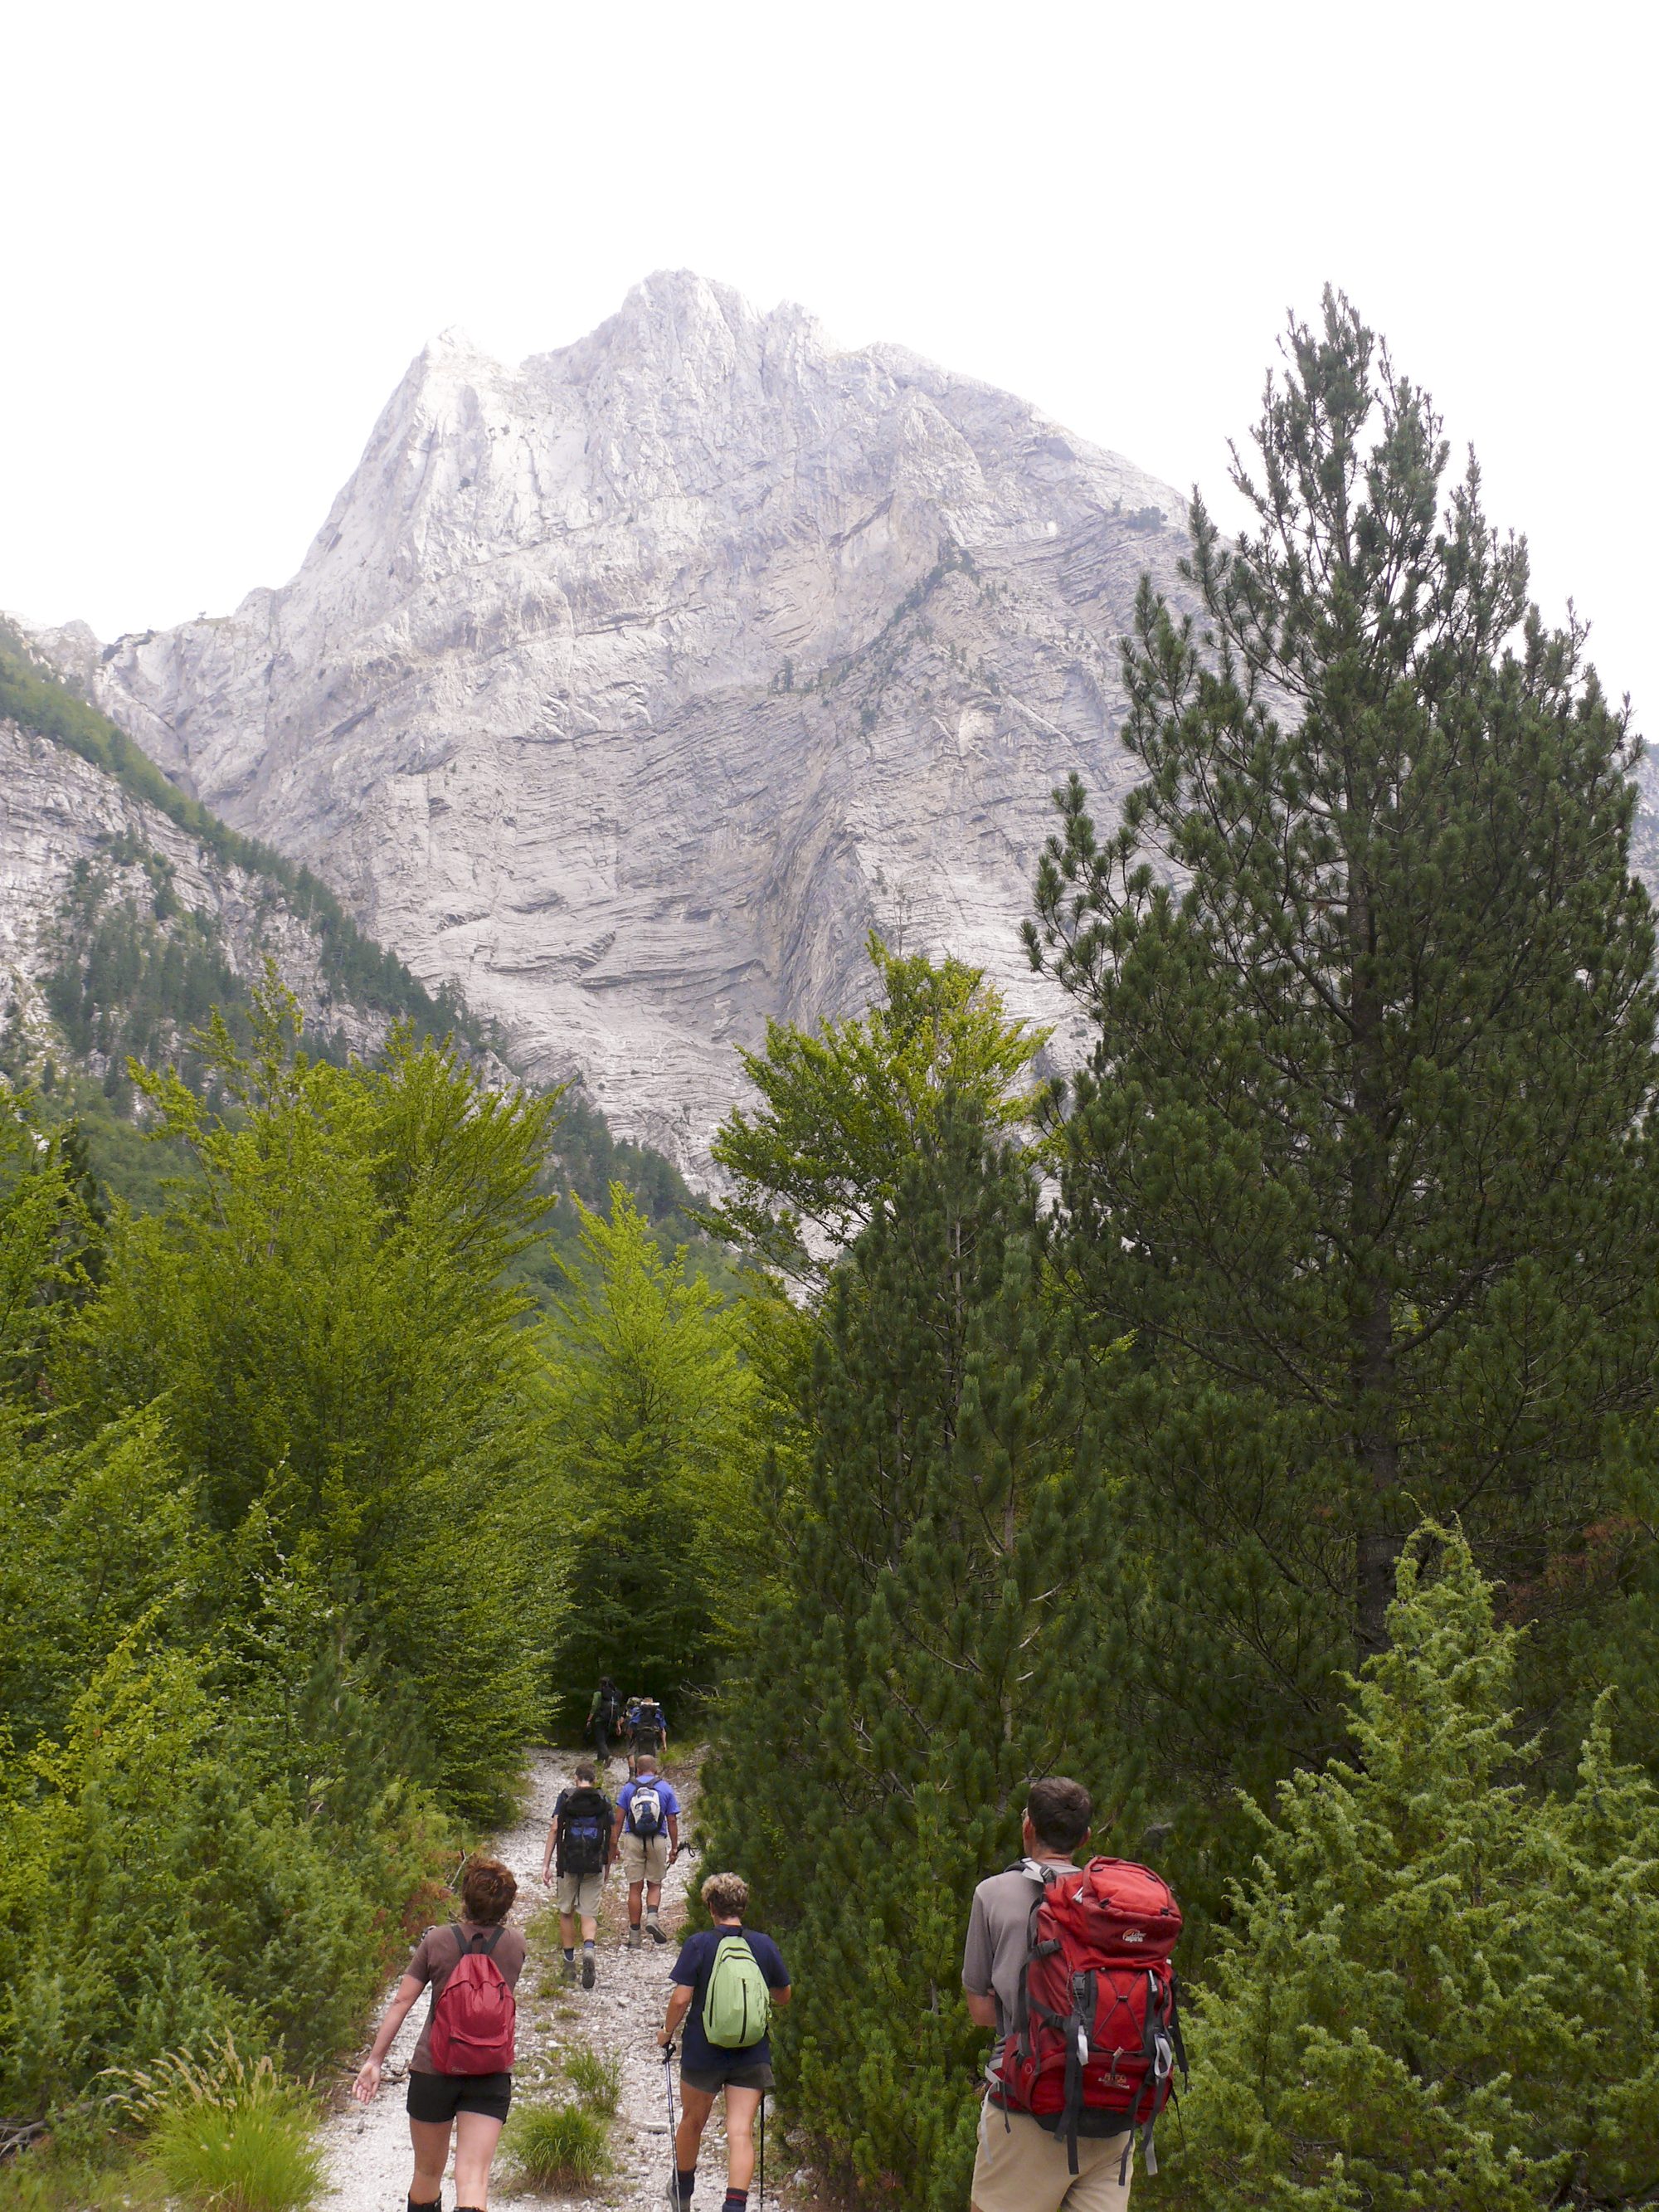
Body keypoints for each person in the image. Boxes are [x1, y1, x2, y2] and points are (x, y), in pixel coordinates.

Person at [962, 1776, 1132, 2212]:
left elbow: (981, 2011)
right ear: (1086, 1837)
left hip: (1025, 2101)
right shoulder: (1119, 1900)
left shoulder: (993, 1894)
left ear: (1027, 1828)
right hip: (1113, 2104)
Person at [353, 1854, 525, 2212]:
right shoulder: (515, 1945)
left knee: (427, 2173)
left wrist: (375, 2059)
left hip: (434, 2069)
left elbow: (402, 2001)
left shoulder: (437, 1941)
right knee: (474, 2177)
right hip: (490, 2070)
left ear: (465, 1898)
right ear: (507, 1904)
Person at [659, 1871, 791, 2212]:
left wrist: (666, 2033)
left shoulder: (700, 1943)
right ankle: (734, 2206)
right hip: (752, 2051)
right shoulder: (762, 1944)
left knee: (692, 2121)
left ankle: (682, 2190)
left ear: (711, 1907)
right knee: (740, 2131)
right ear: (742, 1907)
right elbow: (784, 1996)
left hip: (705, 2051)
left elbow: (680, 1998)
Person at [541, 1760, 614, 1988]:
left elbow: (555, 1829)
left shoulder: (565, 1797)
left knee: (566, 1912)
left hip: (568, 1863)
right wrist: (607, 1865)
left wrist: (546, 1864)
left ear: (576, 1778)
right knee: (588, 1912)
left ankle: (569, 1964)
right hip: (594, 1863)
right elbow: (611, 1835)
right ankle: (589, 1949)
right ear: (594, 1780)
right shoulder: (603, 1799)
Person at [612, 1751, 681, 1946]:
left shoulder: (628, 1788)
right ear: (655, 1769)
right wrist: (674, 1847)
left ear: (638, 1769)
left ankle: (634, 1937)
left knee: (635, 1887)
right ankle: (652, 1918)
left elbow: (618, 1820)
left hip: (633, 1839)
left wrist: (614, 1844)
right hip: (657, 1839)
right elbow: (672, 1820)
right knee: (655, 1884)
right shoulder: (665, 1788)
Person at [627, 1693, 669, 1776]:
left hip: (640, 1737)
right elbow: (663, 1730)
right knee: (652, 1757)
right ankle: (652, 1776)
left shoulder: (638, 1711)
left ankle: (638, 1775)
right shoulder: (658, 1712)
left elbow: (631, 1728)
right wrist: (664, 1744)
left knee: (639, 1757)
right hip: (653, 1737)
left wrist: (631, 1739)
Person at [586, 1676, 624, 1763]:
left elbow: (594, 1706)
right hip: (611, 1721)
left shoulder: (598, 1693)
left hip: (600, 1719)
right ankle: (600, 1760)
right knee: (603, 1740)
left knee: (600, 1740)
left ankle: (607, 1756)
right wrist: (618, 1726)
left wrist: (589, 1720)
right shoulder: (615, 1694)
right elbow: (617, 1711)